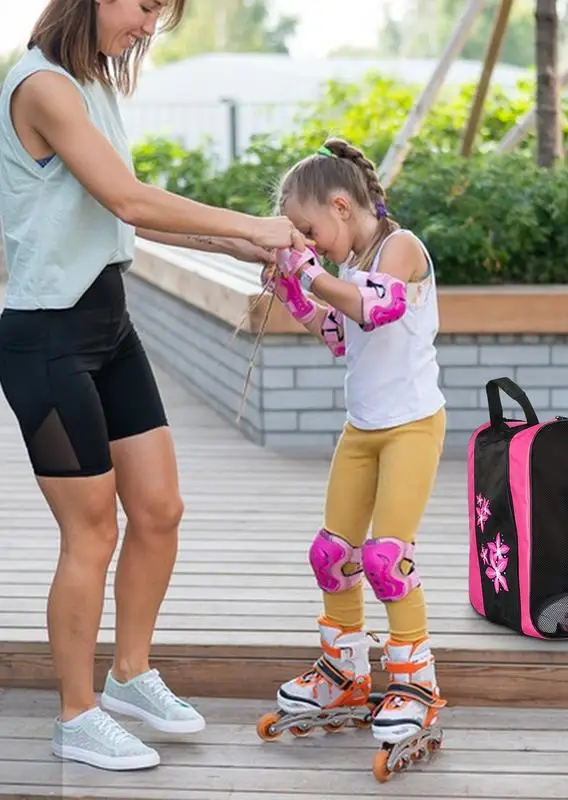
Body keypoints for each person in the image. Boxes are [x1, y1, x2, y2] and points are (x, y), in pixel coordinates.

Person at [0, 0, 306, 773]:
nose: (148, 28)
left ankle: (131, 674)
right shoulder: (41, 86)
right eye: (143, 8)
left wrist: (239, 246)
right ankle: (76, 714)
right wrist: (254, 221)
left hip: (109, 326)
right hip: (45, 339)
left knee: (160, 510)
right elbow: (130, 200)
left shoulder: (93, 83)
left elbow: (129, 220)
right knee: (92, 531)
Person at [256, 137, 448, 781]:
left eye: (310, 231)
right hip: (362, 429)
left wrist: (308, 272)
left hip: (412, 428)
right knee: (332, 553)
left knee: (386, 557)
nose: (309, 243)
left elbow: (377, 306)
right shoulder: (350, 259)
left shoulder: (400, 247)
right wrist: (290, 286)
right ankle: (343, 675)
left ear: (342, 206)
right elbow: (341, 332)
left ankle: (415, 685)